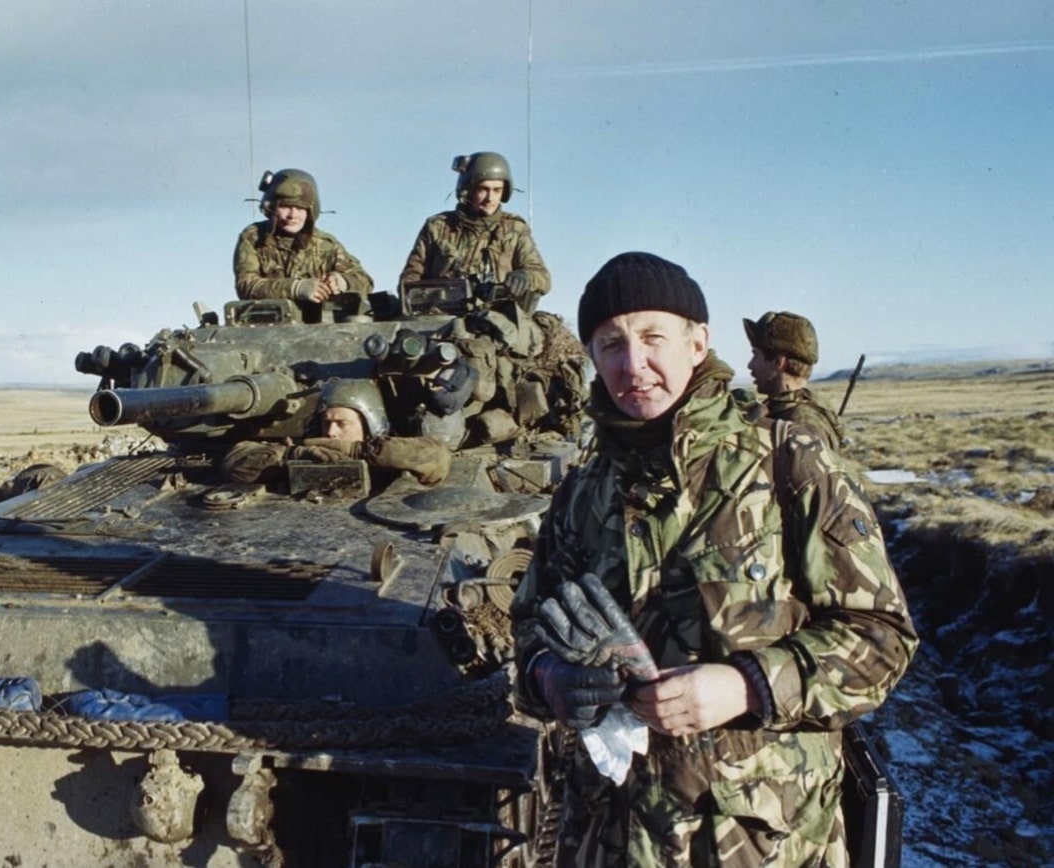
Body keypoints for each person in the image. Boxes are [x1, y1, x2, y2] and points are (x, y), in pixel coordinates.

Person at [510, 252, 917, 866]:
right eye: (611, 345)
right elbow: (530, 630)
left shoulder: (791, 465)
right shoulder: (581, 495)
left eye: (653, 338)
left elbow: (882, 639)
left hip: (755, 842)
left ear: (698, 342)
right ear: (591, 358)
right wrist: (553, 679)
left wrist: (746, 685)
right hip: (607, 835)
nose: (634, 365)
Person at [221, 378, 452, 487]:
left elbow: (438, 458)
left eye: (343, 423)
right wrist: (292, 456)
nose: (331, 432)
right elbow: (234, 464)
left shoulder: (388, 451)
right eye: (326, 422)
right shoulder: (305, 450)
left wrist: (358, 451)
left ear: (368, 422)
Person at [399, 152, 550, 311]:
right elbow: (409, 280)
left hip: (496, 319)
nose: (490, 198)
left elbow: (542, 276)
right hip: (441, 317)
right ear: (468, 190)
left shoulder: (514, 230)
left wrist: (526, 276)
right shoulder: (437, 227)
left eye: (497, 190)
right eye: (483, 189)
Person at [233, 168, 373, 305]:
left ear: (310, 212)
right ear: (272, 208)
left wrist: (341, 281)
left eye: (300, 208)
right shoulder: (254, 238)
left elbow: (364, 280)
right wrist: (295, 288)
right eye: (285, 207)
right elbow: (246, 285)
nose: (292, 215)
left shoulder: (325, 245)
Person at [744, 310, 845, 450]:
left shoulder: (800, 424)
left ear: (779, 362)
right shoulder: (802, 410)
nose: (750, 365)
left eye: (756, 356)